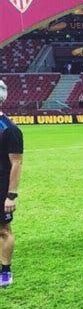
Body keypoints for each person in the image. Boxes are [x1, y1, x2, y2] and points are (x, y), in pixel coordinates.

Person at [0, 80, 23, 287]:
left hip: (1, 187)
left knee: (3, 230)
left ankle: (5, 271)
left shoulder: (10, 129)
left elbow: (16, 163)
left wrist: (11, 194)